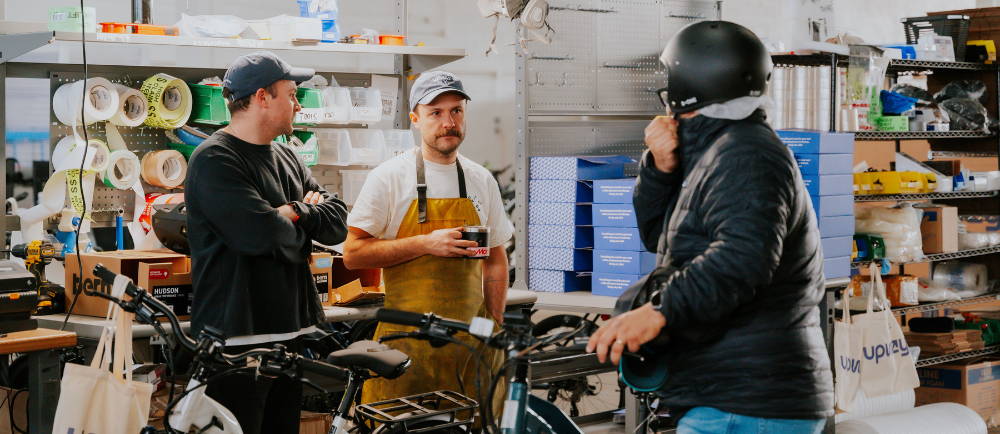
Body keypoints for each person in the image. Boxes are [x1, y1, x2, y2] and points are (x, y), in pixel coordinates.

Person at [586, 21, 833, 433]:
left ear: (689, 85)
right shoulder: (716, 152)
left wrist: (659, 312)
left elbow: (743, 259)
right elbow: (659, 240)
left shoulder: (747, 153)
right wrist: (660, 170)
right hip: (727, 396)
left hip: (750, 403)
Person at [185, 51, 349, 433]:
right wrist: (298, 225)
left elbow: (338, 224)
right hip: (236, 343)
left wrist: (295, 212)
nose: (297, 104)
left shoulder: (288, 157)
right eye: (291, 94)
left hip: (289, 337)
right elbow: (260, 236)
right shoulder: (214, 160)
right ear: (261, 97)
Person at [343, 71, 513, 418]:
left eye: (456, 111)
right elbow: (353, 253)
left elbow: (496, 257)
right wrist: (424, 243)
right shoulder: (389, 177)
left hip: (471, 345)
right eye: (436, 112)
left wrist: (495, 321)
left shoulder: (481, 179)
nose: (448, 122)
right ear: (416, 119)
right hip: (407, 347)